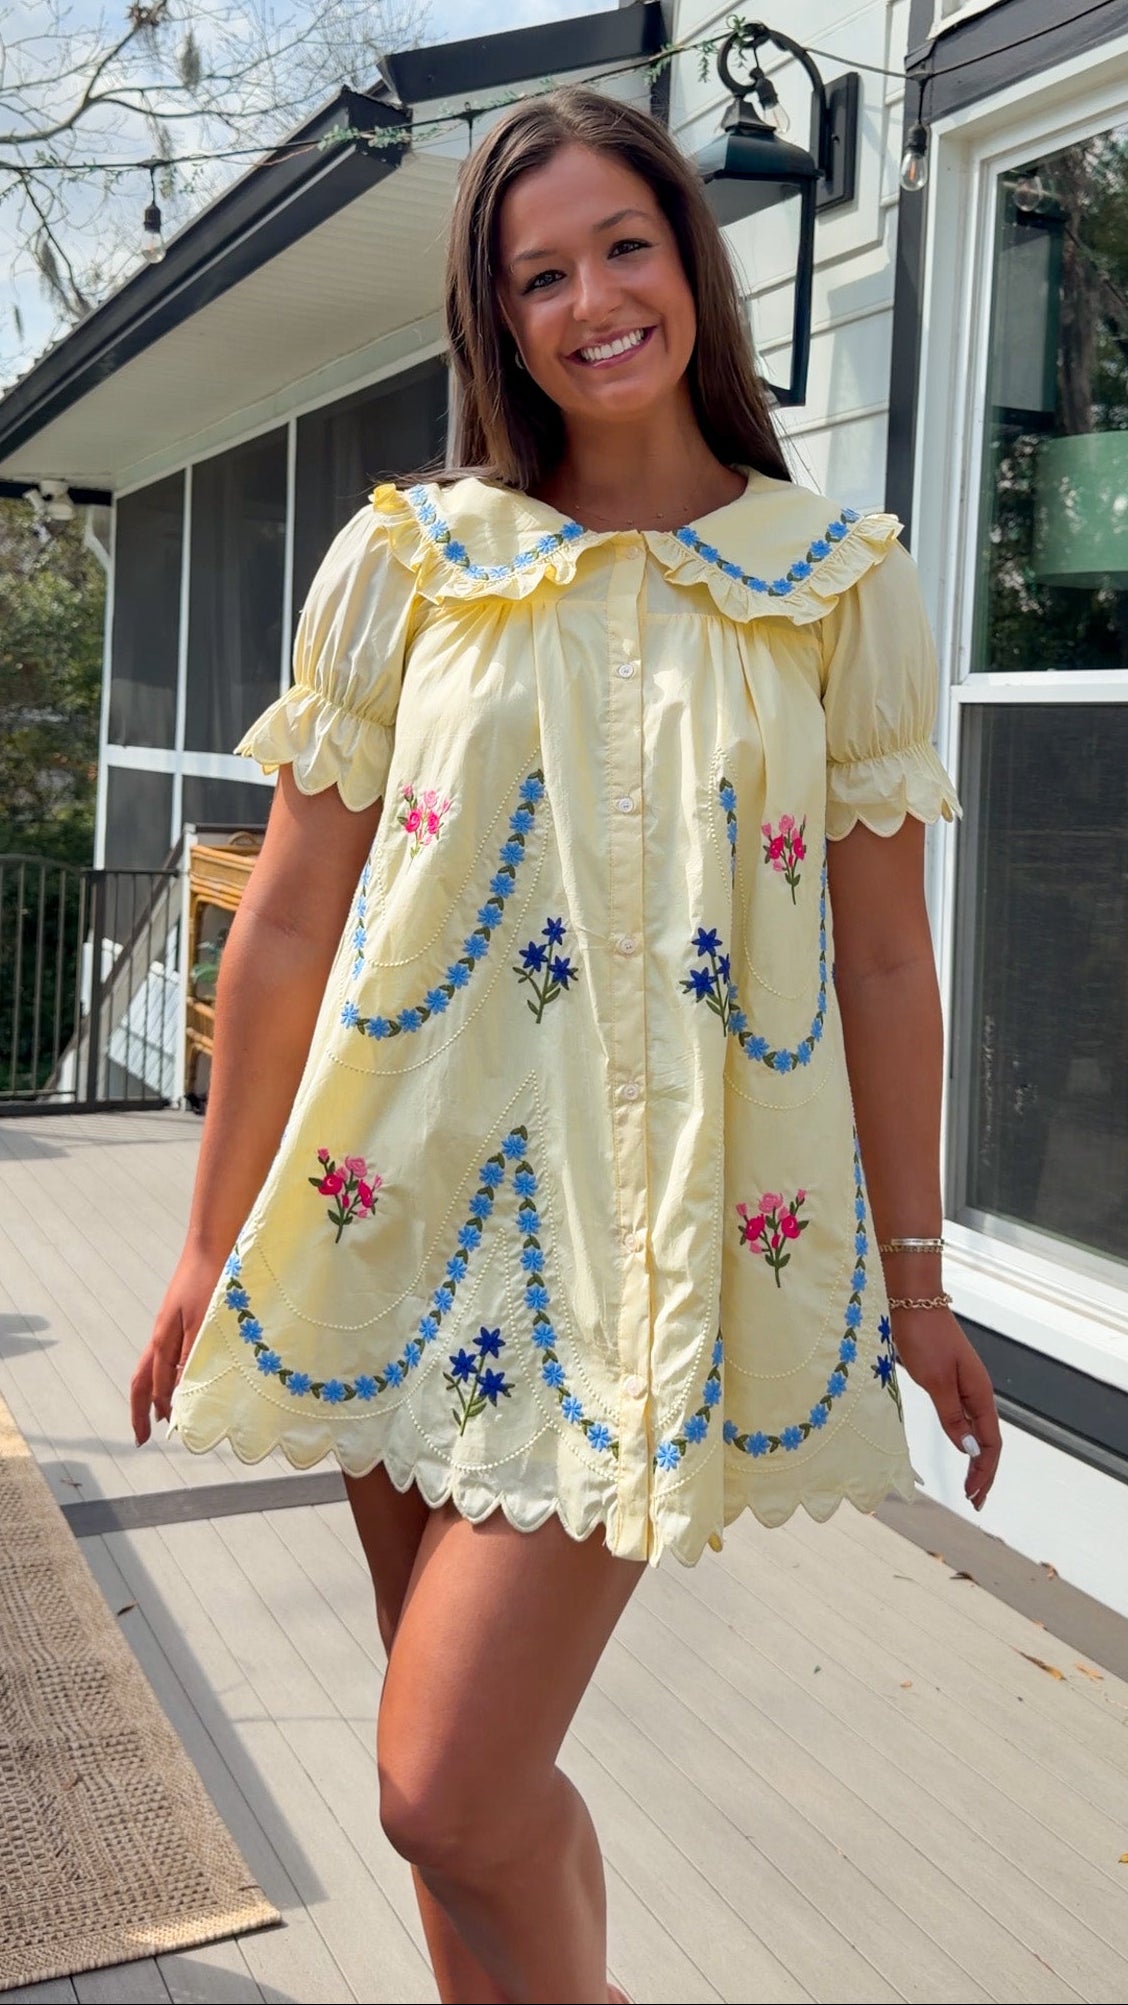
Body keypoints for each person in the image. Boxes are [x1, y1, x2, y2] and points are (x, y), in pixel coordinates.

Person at [131, 86, 1002, 2005]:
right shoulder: (413, 560)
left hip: (651, 1262)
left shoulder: (832, 581)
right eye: (541, 273)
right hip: (386, 1221)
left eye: (627, 246)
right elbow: (280, 923)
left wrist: (921, 1279)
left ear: (692, 260)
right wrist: (208, 1243)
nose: (594, 298)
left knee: (445, 1790)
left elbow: (881, 961)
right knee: (454, 1787)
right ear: (495, 316)